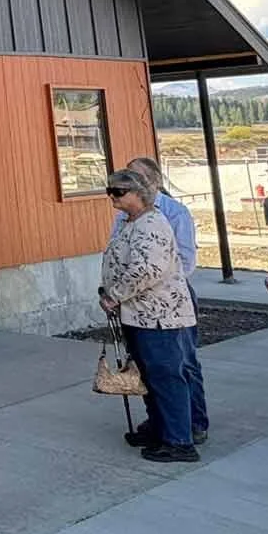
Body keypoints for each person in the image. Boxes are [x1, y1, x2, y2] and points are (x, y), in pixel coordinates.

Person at [100, 168, 201, 463]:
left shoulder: (152, 224)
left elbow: (147, 269)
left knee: (166, 375)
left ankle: (180, 439)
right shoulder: (129, 222)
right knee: (147, 374)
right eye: (110, 191)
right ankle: (159, 428)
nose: (113, 197)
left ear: (139, 194)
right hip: (137, 314)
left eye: (118, 191)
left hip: (158, 316)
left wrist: (114, 294)